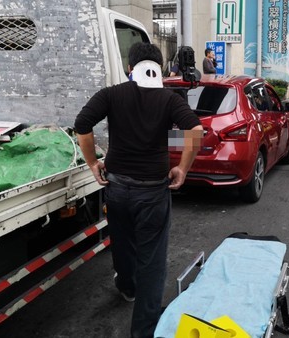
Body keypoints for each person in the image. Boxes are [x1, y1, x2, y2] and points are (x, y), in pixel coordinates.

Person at [74, 42, 202, 338]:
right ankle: (143, 330)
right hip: (153, 191)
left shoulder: (112, 94)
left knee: (122, 242)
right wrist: (182, 167)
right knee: (152, 261)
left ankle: (127, 287)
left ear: (130, 68)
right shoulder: (170, 99)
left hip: (116, 188)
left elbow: (82, 124)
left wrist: (93, 163)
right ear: (159, 67)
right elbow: (195, 131)